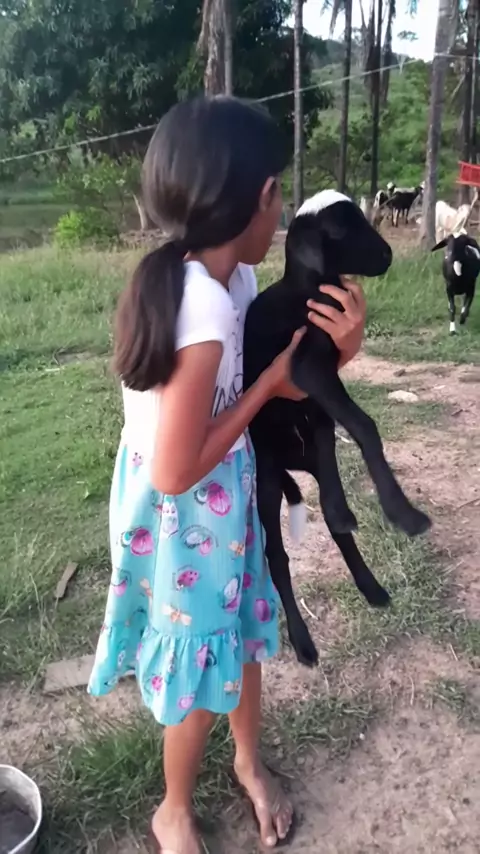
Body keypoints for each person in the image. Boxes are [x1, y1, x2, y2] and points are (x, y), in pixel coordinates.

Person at [88, 95, 366, 854]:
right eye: (279, 192)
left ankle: (247, 760)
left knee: (238, 632)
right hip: (183, 507)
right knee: (199, 660)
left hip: (221, 486)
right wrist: (268, 387)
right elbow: (178, 467)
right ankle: (173, 808)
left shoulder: (226, 281)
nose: (281, 210)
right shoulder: (203, 306)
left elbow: (265, 388)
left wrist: (339, 351)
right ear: (262, 196)